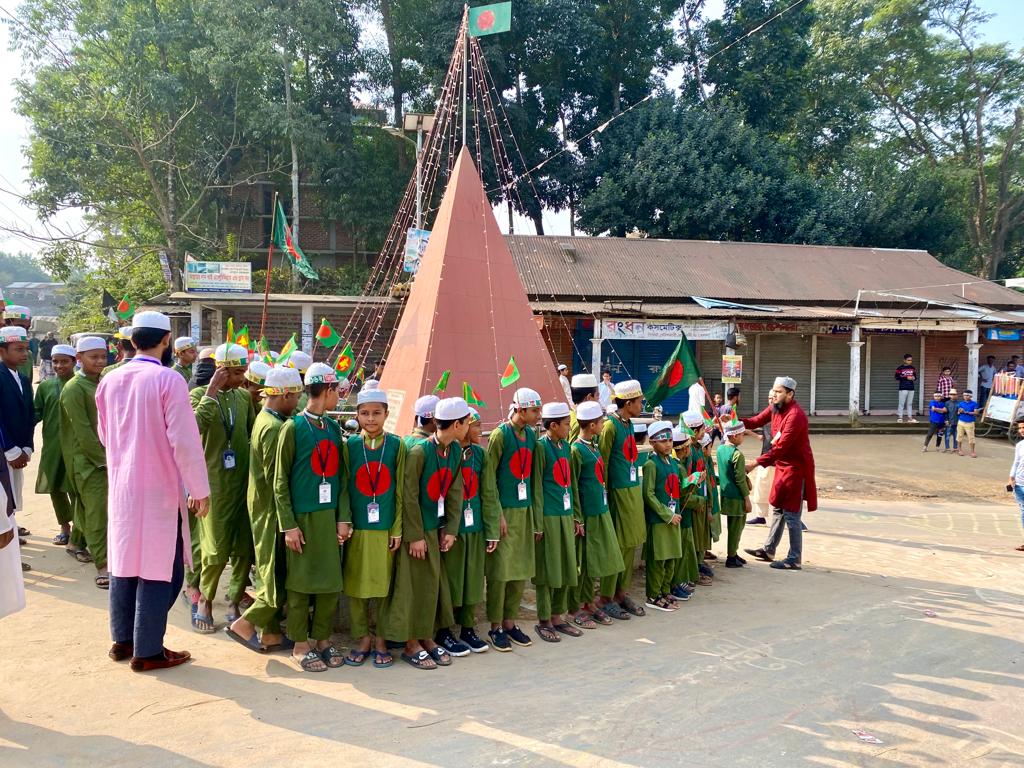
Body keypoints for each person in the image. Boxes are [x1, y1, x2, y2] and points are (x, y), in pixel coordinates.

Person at [96, 311, 211, 671]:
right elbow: (185, 441)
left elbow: (105, 435)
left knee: (125, 563)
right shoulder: (168, 379)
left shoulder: (109, 380)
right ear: (166, 341)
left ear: (132, 341)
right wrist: (199, 489)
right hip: (159, 489)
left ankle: (123, 640)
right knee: (160, 569)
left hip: (123, 487)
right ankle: (147, 650)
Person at [274, 362, 349, 673]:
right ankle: (300, 644)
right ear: (328, 390)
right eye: (337, 391)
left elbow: (342, 479)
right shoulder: (292, 428)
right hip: (302, 520)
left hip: (328, 518)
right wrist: (289, 525)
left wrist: (343, 518)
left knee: (330, 583)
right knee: (301, 584)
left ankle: (322, 639)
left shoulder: (332, 428)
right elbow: (280, 481)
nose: (339, 396)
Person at [384, 396, 467, 670]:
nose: (468, 427)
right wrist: (415, 536)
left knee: (431, 586)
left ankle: (427, 637)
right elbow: (408, 496)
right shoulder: (419, 452)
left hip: (437, 528)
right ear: (456, 424)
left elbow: (455, 491)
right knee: (411, 587)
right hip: (418, 532)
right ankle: (410, 644)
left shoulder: (454, 450)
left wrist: (451, 529)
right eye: (466, 422)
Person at [225, 367, 303, 653]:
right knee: (275, 575)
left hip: (263, 506)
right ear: (285, 395)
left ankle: (270, 634)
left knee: (270, 570)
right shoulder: (273, 428)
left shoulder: (266, 417)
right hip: (271, 510)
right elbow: (276, 478)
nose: (297, 402)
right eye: (296, 397)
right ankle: (245, 624)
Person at [190, 342, 256, 632]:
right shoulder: (197, 396)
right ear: (221, 370)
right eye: (236, 373)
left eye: (243, 372)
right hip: (213, 483)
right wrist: (212, 391)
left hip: (241, 482)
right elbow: (193, 429)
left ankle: (233, 600)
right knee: (215, 548)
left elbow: (252, 435)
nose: (242, 379)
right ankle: (205, 599)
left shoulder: (243, 397)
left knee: (242, 546)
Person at [342, 381, 407, 668]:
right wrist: (345, 521)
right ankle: (362, 638)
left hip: (385, 528)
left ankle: (381, 638)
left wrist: (397, 528)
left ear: (386, 414)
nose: (370, 419)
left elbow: (400, 490)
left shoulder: (396, 445)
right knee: (355, 587)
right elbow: (344, 488)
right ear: (357, 415)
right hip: (357, 528)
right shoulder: (350, 446)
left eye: (376, 413)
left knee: (383, 588)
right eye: (365, 413)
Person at [484, 388, 543, 651]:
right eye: (535, 410)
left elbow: (534, 479)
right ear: (520, 410)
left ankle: (510, 622)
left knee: (519, 570)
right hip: (504, 513)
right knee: (500, 572)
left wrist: (536, 520)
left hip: (524, 511)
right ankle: (495, 625)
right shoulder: (500, 435)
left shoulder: (531, 435)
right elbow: (489, 478)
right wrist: (496, 514)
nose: (538, 415)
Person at [437, 407, 498, 654]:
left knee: (473, 580)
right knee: (451, 580)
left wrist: (492, 530)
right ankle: (444, 630)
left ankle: (468, 628)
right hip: (453, 529)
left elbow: (489, 493)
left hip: (476, 527)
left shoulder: (480, 455)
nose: (480, 430)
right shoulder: (447, 452)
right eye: (476, 425)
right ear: (460, 426)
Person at [742, 376, 817, 571]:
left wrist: (754, 463)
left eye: (779, 392)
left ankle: (794, 558)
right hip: (782, 466)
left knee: (791, 514)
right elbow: (755, 421)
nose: (774, 395)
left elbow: (781, 447)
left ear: (790, 394)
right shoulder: (775, 408)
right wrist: (733, 421)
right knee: (777, 508)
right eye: (773, 390)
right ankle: (769, 550)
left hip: (796, 469)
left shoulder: (795, 416)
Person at [60, 336, 110, 588]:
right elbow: (83, 433)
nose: (100, 361)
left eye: (103, 356)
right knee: (97, 512)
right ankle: (103, 564)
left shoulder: (101, 382)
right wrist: (104, 461)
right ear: (79, 358)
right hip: (87, 460)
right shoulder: (74, 388)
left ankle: (75, 543)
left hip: (103, 456)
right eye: (94, 357)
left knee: (86, 506)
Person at [569, 401, 624, 627]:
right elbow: (572, 486)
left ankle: (589, 601)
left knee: (594, 561)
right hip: (586, 514)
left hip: (600, 510)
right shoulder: (576, 450)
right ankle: (575, 606)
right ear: (592, 425)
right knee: (582, 561)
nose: (603, 424)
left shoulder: (594, 446)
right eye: (601, 421)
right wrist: (577, 517)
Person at [531, 401, 582, 642]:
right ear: (553, 425)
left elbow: (571, 484)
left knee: (567, 566)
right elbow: (536, 487)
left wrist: (576, 516)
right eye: (566, 424)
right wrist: (538, 523)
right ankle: (544, 619)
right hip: (548, 516)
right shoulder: (540, 447)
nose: (569, 428)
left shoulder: (566, 447)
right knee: (547, 569)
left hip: (565, 514)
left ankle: (558, 616)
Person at [599, 379, 648, 618]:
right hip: (616, 494)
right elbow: (603, 463)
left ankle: (621, 592)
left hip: (631, 492)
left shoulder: (628, 424)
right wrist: (605, 496)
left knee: (630, 543)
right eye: (639, 402)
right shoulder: (610, 427)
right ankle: (606, 597)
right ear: (628, 403)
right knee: (616, 546)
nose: (641, 406)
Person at [33, 343, 86, 555]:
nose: (59, 366)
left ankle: (79, 533)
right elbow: (36, 414)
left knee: (76, 489)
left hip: (76, 446)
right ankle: (65, 527)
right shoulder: (46, 386)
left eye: (64, 361)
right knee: (55, 487)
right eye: (55, 361)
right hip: (52, 446)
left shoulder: (81, 384)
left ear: (74, 362)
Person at [642, 421, 684, 612]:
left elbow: (677, 488)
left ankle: (665, 591)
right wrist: (667, 515)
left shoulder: (673, 463)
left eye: (670, 440)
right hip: (660, 520)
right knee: (658, 560)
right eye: (662, 441)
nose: (668, 444)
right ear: (652, 443)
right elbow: (648, 494)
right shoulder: (651, 464)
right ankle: (653, 595)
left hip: (674, 517)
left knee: (671, 559)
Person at [717, 419, 751, 568]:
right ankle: (731, 557)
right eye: (742, 434)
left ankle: (734, 553)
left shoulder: (720, 450)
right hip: (737, 496)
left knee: (733, 526)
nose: (743, 437)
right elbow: (740, 479)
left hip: (725, 494)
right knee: (736, 527)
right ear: (735, 436)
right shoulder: (737, 455)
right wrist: (747, 499)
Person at [670, 427, 700, 597]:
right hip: (682, 513)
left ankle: (681, 580)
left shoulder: (678, 465)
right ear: (684, 448)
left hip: (680, 513)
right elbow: (683, 494)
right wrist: (699, 501)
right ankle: (678, 581)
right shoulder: (678, 467)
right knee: (680, 551)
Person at [3, 305, 34, 383]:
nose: (24, 331)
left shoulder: (28, 355)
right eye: (20, 327)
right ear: (4, 325)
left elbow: (28, 385)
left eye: (27, 328)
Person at [1007, 420, 1024, 552]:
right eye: (1020, 428)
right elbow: (1016, 462)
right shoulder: (1019, 445)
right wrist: (1011, 478)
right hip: (1019, 483)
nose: (1022, 430)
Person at [568, 373, 599, 442]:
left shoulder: (570, 414)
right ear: (589, 397)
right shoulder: (580, 423)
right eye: (597, 395)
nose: (598, 399)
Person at [895, 354, 918, 423]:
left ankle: (910, 418)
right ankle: (900, 417)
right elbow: (896, 377)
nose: (910, 361)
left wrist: (913, 378)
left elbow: (915, 377)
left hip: (911, 387)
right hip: (903, 388)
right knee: (901, 403)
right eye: (908, 360)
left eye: (911, 360)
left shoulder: (913, 368)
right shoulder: (900, 368)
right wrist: (906, 377)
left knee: (910, 403)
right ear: (904, 360)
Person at [956, 390, 979, 458]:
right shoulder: (961, 403)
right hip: (961, 421)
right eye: (964, 395)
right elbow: (959, 411)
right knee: (959, 436)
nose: (965, 396)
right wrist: (960, 410)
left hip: (970, 422)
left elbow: (976, 413)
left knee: (971, 437)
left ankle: (972, 452)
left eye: (967, 395)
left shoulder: (974, 403)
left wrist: (967, 412)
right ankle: (959, 450)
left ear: (971, 396)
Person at [943, 388, 959, 454]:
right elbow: (945, 413)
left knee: (956, 436)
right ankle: (947, 448)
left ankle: (955, 448)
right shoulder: (947, 403)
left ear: (957, 395)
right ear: (949, 395)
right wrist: (946, 420)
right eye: (951, 394)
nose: (953, 395)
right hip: (949, 422)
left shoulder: (959, 403)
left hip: (957, 422)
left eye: (954, 394)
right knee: (947, 435)